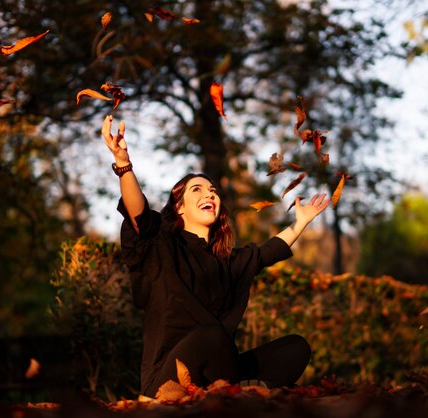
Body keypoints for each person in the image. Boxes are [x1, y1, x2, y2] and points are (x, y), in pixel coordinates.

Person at [101, 115, 330, 397]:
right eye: (196, 190)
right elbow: (138, 215)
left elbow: (265, 253)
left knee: (295, 347)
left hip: (221, 370)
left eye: (212, 190)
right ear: (180, 207)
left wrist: (301, 222)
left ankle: (236, 392)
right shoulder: (161, 241)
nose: (209, 194)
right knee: (212, 335)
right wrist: (124, 165)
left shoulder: (228, 260)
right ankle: (243, 393)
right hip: (168, 378)